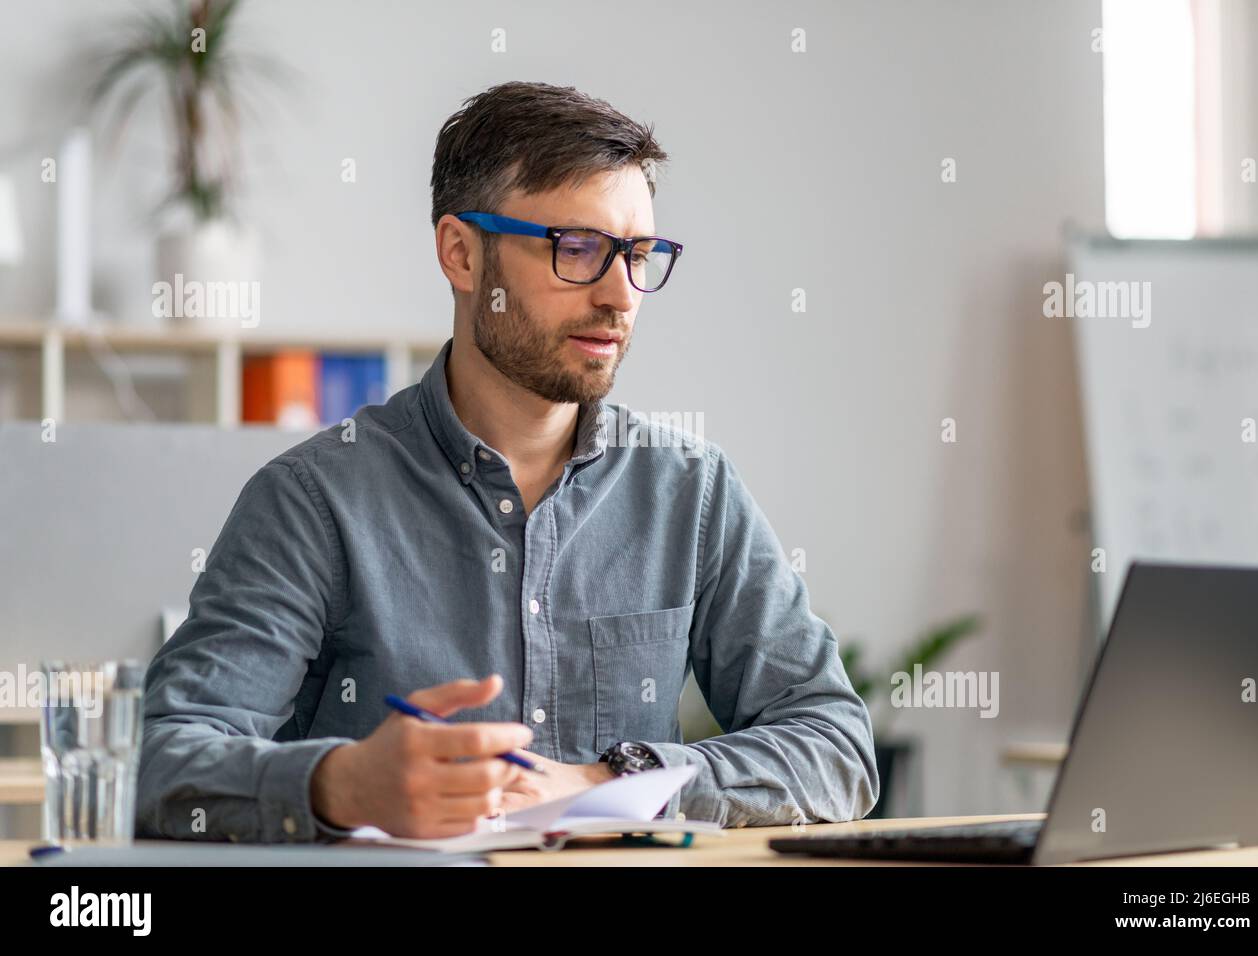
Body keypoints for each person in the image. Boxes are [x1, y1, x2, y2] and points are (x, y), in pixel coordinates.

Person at [137, 81, 878, 843]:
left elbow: (835, 745)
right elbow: (161, 762)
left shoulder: (690, 491)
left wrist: (612, 780)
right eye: (578, 249)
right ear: (462, 254)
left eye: (639, 255)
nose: (621, 296)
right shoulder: (314, 500)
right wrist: (344, 784)